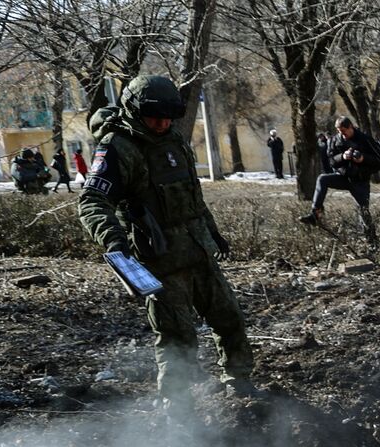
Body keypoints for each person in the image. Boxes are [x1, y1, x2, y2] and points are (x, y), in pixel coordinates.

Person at [78, 75, 256, 403]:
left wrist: (212, 231)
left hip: (198, 250)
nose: (161, 123)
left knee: (229, 318)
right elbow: (92, 202)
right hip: (160, 263)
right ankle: (179, 411)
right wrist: (114, 241)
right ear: (134, 111)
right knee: (178, 340)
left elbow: (192, 195)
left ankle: (239, 382)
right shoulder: (118, 148)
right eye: (154, 117)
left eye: (167, 117)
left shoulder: (173, 138)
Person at [300, 116, 380, 249]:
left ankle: (372, 243)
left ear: (351, 127)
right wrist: (343, 157)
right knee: (322, 179)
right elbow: (331, 160)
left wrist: (363, 159)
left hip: (360, 181)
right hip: (343, 177)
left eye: (344, 130)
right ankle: (315, 213)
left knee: (363, 211)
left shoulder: (365, 139)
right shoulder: (335, 140)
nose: (342, 134)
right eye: (339, 131)